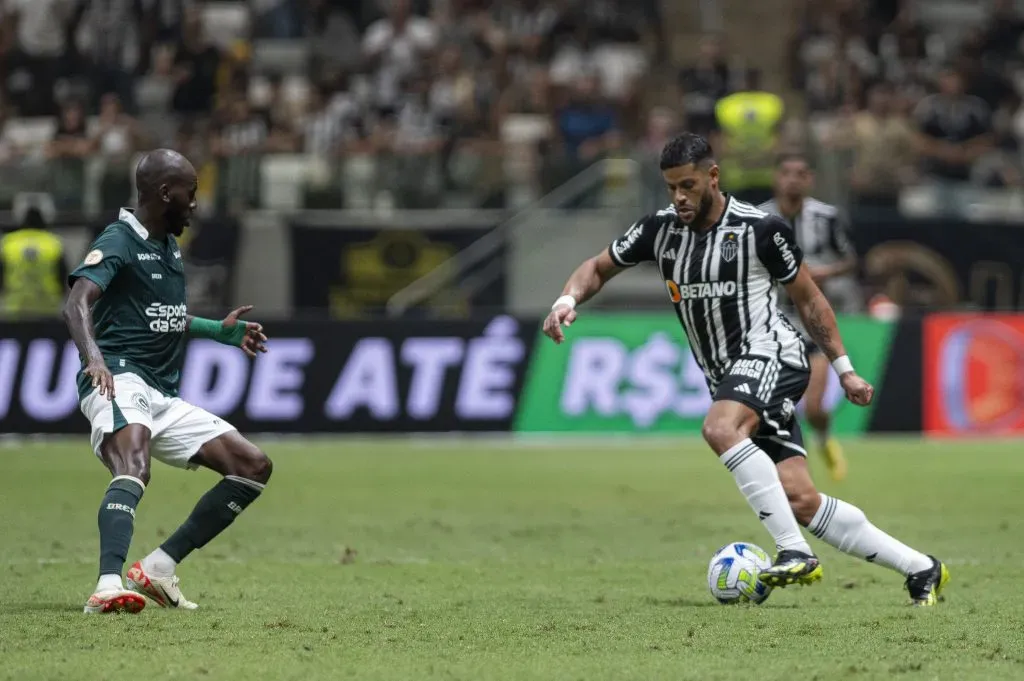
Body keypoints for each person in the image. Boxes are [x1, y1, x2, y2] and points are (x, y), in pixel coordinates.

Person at [542, 133, 948, 605]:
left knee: (720, 427)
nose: (679, 197)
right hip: (729, 374)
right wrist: (567, 299)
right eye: (671, 187)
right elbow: (597, 267)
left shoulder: (760, 229)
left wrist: (843, 368)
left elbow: (809, 299)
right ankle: (922, 568)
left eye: (688, 185)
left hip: (775, 354)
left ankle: (794, 552)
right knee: (800, 500)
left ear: (713, 177)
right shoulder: (659, 229)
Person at [64, 149, 272, 614]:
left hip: (160, 391)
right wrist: (93, 358)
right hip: (118, 377)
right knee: (134, 465)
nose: (196, 203)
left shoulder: (167, 245)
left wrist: (218, 331)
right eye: (190, 193)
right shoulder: (119, 239)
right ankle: (107, 585)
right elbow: (76, 303)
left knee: (251, 465)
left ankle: (157, 568)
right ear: (164, 193)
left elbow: (163, 318)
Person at [758, 153, 860, 481]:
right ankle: (777, 465)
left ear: (810, 180)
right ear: (776, 178)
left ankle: (823, 439)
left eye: (800, 173)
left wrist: (821, 273)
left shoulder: (826, 217)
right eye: (786, 172)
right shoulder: (757, 218)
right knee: (769, 407)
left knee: (814, 407)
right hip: (770, 322)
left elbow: (849, 260)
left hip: (810, 321)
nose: (792, 180)